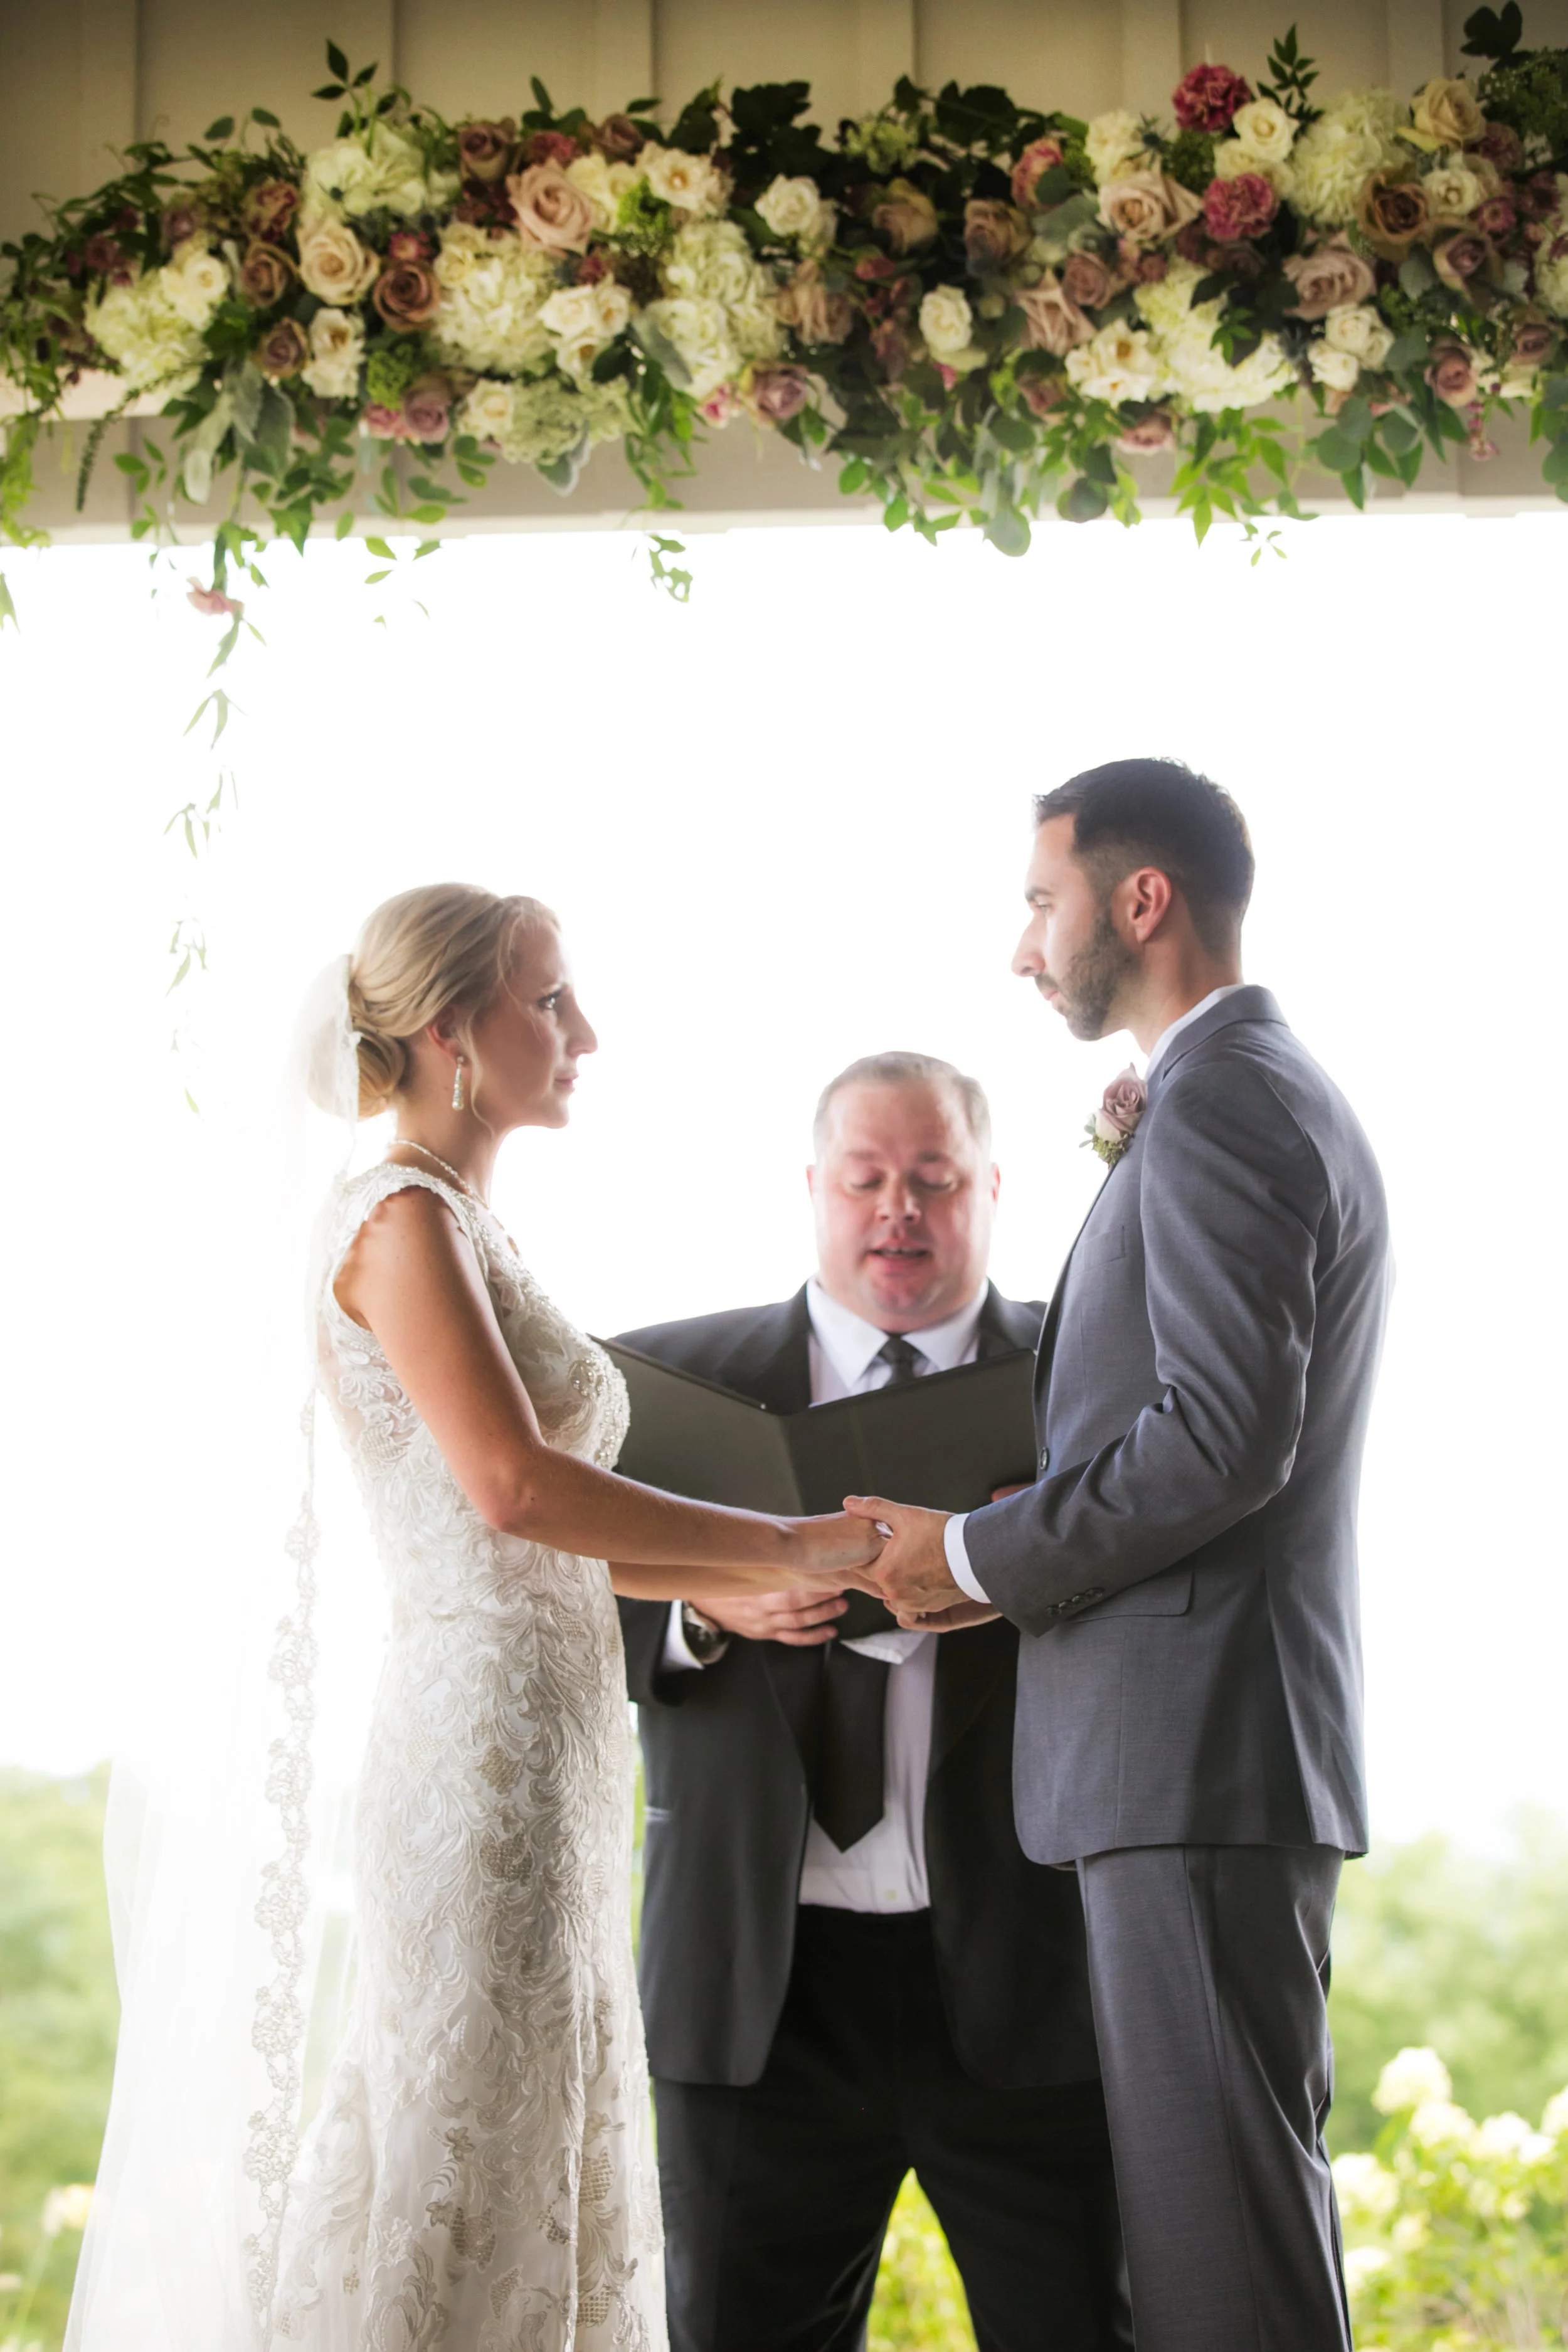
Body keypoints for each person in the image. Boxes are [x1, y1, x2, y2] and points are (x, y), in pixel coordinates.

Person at [254, 884, 881, 2351]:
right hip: (476, 1755)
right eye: (549, 1002)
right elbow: (514, 1492)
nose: (581, 1033)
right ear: (449, 1031)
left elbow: (549, 1546)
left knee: (549, 2105)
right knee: (467, 2116)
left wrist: (742, 1584)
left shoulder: (468, 1223)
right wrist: (782, 1533)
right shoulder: (399, 1218)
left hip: (560, 1743)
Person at [855, 761, 1391, 2352]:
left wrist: (973, 1551)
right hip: (1201, 1759)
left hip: (1191, 1755)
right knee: (1223, 2232)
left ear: (1136, 900)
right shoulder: (1243, 1087)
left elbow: (1225, 1436)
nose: (1024, 948)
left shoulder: (1224, 1095)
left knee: (1220, 2257)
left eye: (1041, 902)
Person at [617, 1054, 1128, 2352]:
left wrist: (1025, 1566)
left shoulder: (1086, 1387)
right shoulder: (667, 1383)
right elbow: (541, 1604)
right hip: (757, 1996)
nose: (896, 1209)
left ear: (989, 1191)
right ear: (814, 1190)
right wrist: (696, 1604)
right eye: (865, 1179)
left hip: (1025, 1978)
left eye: (933, 1180)